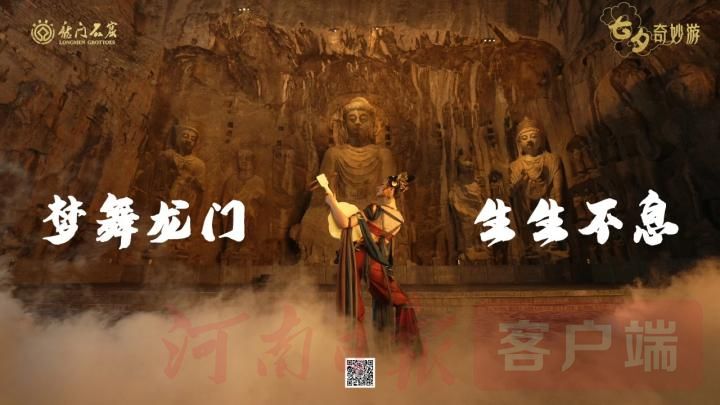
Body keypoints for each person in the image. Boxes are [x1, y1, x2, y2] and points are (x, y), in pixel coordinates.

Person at [323, 172, 422, 356]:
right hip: (377, 263)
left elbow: (344, 222)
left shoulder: (375, 209)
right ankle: (407, 355)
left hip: (359, 257)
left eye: (382, 184)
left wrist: (331, 203)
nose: (378, 187)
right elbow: (382, 243)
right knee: (401, 301)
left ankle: (360, 370)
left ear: (391, 190)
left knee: (353, 309)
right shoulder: (399, 219)